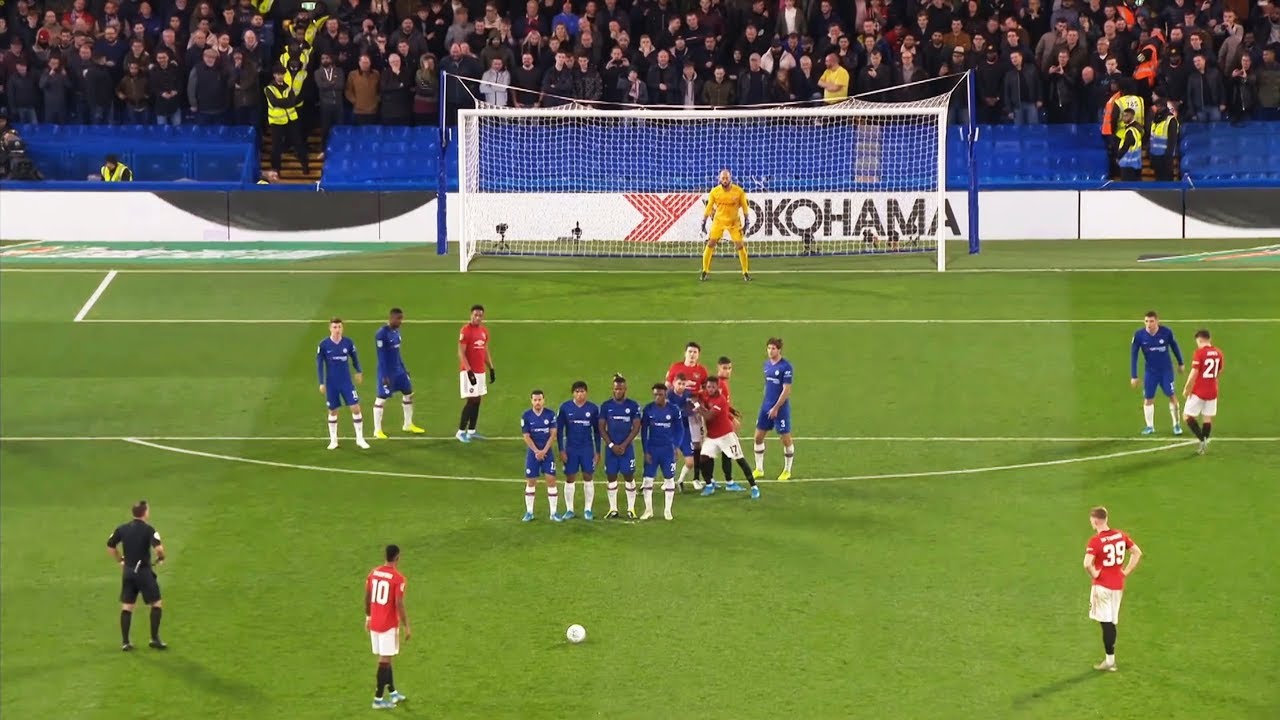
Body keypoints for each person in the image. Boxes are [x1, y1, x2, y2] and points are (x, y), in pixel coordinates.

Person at [1083, 506, 1143, 672]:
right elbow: (1137, 553)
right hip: (1117, 585)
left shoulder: (1095, 541)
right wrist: (1126, 572)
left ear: (1095, 521)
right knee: (1110, 621)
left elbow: (1087, 563)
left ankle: (1110, 661)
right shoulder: (1120, 535)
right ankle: (1110, 659)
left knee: (1106, 623)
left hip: (1102, 586)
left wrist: (1094, 573)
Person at [107, 500, 167, 651]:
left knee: (127, 606)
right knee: (156, 603)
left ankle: (125, 642)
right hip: (144, 572)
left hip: (128, 572)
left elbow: (110, 545)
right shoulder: (149, 530)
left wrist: (120, 560)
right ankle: (154, 639)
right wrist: (161, 558)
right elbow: (159, 549)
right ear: (145, 513)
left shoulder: (122, 528)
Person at [698, 377, 758, 499]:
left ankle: (754, 486)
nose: (710, 389)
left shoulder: (720, 400)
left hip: (726, 436)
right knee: (703, 459)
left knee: (739, 460)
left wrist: (697, 407)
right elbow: (698, 395)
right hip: (712, 437)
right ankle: (709, 485)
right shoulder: (705, 395)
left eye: (713, 387)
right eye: (708, 387)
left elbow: (709, 416)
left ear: (718, 388)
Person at [365, 544, 409, 710]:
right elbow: (399, 603)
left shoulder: (374, 573)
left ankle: (393, 693)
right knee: (385, 660)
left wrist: (368, 616)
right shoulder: (398, 578)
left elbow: (367, 596)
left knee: (386, 657)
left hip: (374, 622)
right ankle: (377, 700)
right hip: (388, 624)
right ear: (397, 557)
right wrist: (407, 626)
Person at [317, 317, 369, 450]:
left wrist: (358, 371)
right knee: (333, 410)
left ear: (342, 328)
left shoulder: (348, 343)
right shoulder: (323, 345)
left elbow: (355, 358)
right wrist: (321, 382)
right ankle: (333, 440)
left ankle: (360, 438)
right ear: (330, 328)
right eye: (335, 327)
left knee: (355, 407)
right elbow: (319, 365)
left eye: (339, 327)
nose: (337, 329)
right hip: (332, 384)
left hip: (346, 382)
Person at [1129, 310, 1184, 435]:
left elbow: (1174, 347)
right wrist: (1134, 375)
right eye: (1146, 321)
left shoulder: (1166, 332)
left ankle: (1176, 425)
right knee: (1148, 398)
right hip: (1151, 372)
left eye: (1151, 321)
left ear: (1157, 321)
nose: (1149, 324)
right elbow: (1134, 355)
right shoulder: (1139, 335)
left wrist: (1181, 363)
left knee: (1171, 395)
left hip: (1166, 371)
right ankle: (1150, 426)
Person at [373, 308, 424, 439]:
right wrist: (384, 376)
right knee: (381, 399)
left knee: (408, 394)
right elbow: (381, 356)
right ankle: (377, 430)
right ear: (391, 318)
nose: (401, 321)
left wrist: (404, 368)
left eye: (401, 318)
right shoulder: (381, 334)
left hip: (399, 371)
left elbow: (397, 353)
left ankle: (408, 424)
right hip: (387, 373)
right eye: (398, 318)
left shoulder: (397, 332)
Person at [665, 342, 708, 488]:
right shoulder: (675, 367)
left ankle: (695, 478)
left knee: (697, 447)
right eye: (690, 351)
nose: (692, 354)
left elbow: (705, 391)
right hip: (678, 416)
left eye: (695, 352)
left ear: (698, 355)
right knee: (670, 451)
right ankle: (667, 479)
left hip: (694, 415)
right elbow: (668, 387)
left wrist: (700, 407)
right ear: (685, 353)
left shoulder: (701, 371)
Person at [557, 381, 601, 520]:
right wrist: (561, 450)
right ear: (573, 393)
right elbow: (559, 431)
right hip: (571, 448)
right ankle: (570, 510)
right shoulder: (565, 408)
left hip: (587, 448)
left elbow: (597, 432)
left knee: (588, 476)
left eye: (582, 391)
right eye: (577, 391)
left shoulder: (593, 409)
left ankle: (588, 509)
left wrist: (598, 451)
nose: (580, 394)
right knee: (570, 477)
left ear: (586, 393)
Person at [599, 374, 641, 519]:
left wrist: (623, 445)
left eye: (621, 389)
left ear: (625, 389)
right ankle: (613, 509)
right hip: (611, 449)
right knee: (611, 477)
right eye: (616, 389)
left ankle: (631, 509)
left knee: (629, 476)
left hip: (626, 449)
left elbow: (636, 427)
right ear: (613, 389)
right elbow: (601, 427)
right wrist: (611, 445)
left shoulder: (633, 405)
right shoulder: (606, 406)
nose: (618, 391)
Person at [753, 337, 795, 481]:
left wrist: (776, 407)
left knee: (785, 438)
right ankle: (759, 469)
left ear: (779, 350)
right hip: (766, 406)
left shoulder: (786, 367)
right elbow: (767, 385)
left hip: (781, 408)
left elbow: (786, 390)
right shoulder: (767, 365)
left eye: (773, 349)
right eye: (769, 348)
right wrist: (767, 402)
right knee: (758, 437)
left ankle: (787, 470)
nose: (770, 351)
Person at [700, 168, 752, 281]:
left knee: (740, 245)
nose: (724, 180)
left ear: (730, 178)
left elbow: (745, 208)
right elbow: (708, 208)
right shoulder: (714, 192)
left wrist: (747, 224)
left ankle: (745, 272)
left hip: (734, 223)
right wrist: (703, 223)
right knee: (711, 243)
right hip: (719, 222)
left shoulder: (739, 191)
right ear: (719, 179)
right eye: (722, 178)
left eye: (726, 178)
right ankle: (704, 271)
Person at [641, 383, 683, 520]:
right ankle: (648, 510)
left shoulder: (674, 410)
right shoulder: (648, 409)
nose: (657, 397)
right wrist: (645, 450)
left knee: (669, 479)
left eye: (659, 394)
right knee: (647, 480)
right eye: (655, 395)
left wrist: (676, 446)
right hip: (652, 449)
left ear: (665, 394)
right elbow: (643, 432)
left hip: (667, 450)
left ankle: (667, 510)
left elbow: (680, 429)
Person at [521, 389, 562, 522]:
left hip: (547, 452)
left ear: (543, 400)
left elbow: (553, 434)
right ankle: (529, 512)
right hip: (533, 454)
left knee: (551, 480)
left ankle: (553, 513)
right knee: (531, 481)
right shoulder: (526, 416)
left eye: (540, 399)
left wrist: (544, 450)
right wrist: (536, 451)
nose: (537, 402)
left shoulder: (550, 414)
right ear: (531, 401)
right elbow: (526, 436)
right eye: (535, 400)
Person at [457, 304, 495, 442]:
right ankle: (461, 431)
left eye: (480, 315)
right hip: (469, 371)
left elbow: (484, 350)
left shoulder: (484, 331)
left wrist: (491, 368)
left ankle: (472, 431)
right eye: (475, 315)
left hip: (480, 371)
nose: (477, 317)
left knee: (477, 400)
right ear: (471, 315)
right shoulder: (465, 331)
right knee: (471, 400)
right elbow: (461, 352)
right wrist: (469, 371)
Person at [264, 65, 310, 179]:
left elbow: (292, 102)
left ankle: (305, 165)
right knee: (276, 147)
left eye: (282, 74)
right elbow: (275, 102)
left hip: (291, 119)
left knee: (298, 143)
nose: (281, 76)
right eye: (278, 74)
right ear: (274, 75)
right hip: (277, 121)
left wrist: (284, 102)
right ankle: (276, 169)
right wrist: (286, 102)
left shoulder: (288, 87)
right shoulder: (269, 89)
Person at [1182, 329, 1223, 455]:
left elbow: (1194, 373)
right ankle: (1204, 444)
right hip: (1212, 390)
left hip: (1199, 390)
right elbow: (1219, 371)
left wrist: (1187, 388)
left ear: (1199, 340)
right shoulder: (1218, 353)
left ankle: (1201, 438)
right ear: (1209, 339)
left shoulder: (1199, 353)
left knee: (1187, 416)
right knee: (1207, 418)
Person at [1114, 107, 1142, 181]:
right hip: (1135, 163)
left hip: (1128, 164)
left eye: (1126, 116)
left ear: (1132, 116)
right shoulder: (1137, 127)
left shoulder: (1130, 131)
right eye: (1123, 116)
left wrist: (1118, 157)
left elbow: (1126, 146)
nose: (1123, 118)